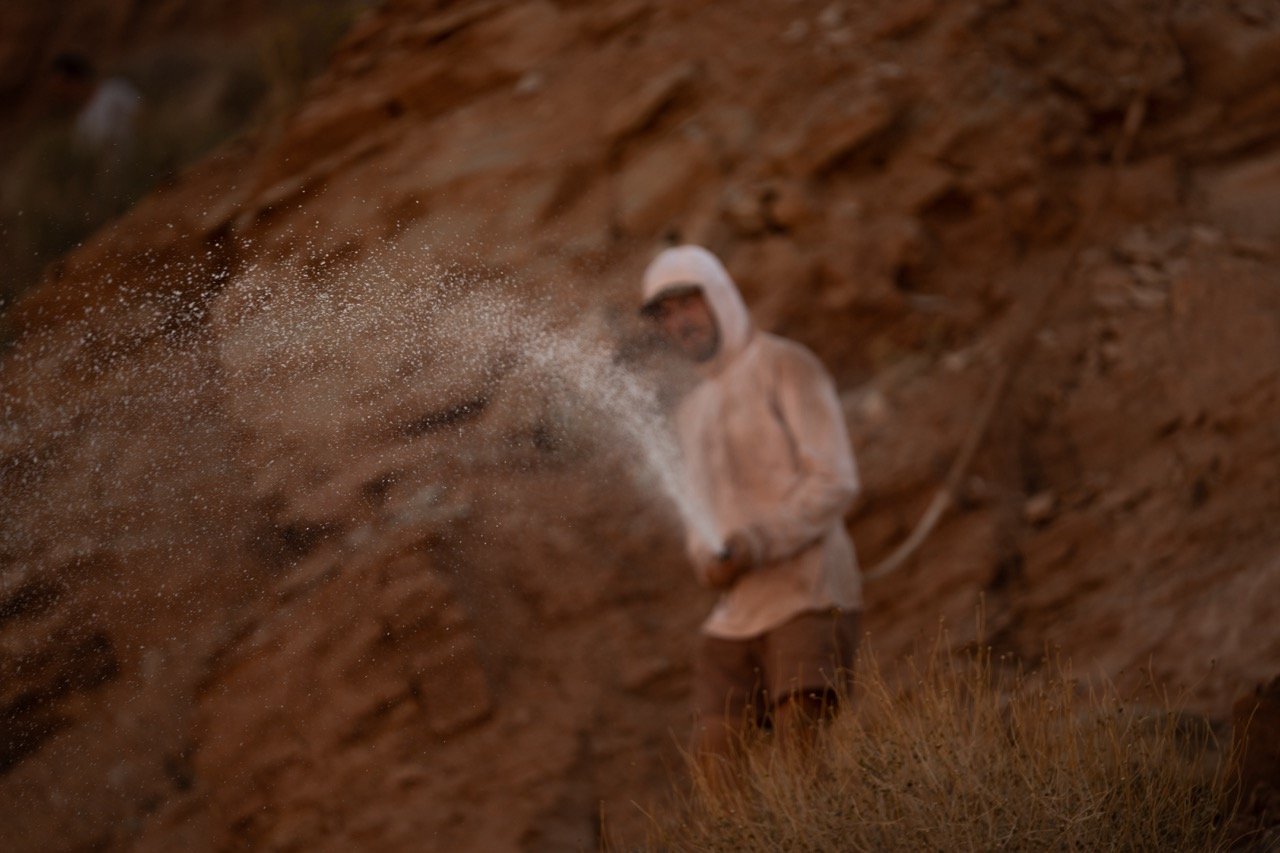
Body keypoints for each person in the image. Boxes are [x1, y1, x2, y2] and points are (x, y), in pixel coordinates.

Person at [640, 245, 863, 776]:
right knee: (717, 771)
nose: (679, 322)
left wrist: (757, 542)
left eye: (687, 304)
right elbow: (700, 520)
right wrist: (707, 559)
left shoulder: (786, 364)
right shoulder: (692, 411)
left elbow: (836, 482)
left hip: (809, 594)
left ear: (719, 296)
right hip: (738, 615)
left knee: (803, 763)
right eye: (665, 314)